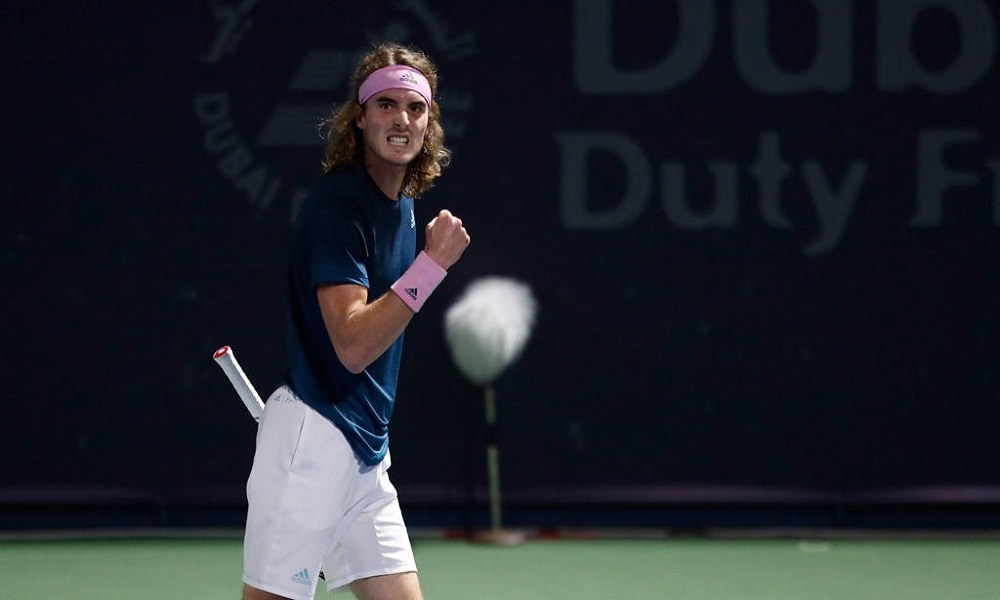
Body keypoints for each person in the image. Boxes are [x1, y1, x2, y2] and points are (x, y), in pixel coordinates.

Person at [242, 42, 470, 600]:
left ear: (429, 123)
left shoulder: (403, 207)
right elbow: (352, 345)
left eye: (415, 108)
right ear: (361, 117)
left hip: (365, 453)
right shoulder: (338, 206)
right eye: (386, 105)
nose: (402, 119)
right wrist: (431, 267)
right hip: (314, 441)